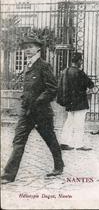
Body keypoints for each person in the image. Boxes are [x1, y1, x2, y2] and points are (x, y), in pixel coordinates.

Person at [1, 37, 64, 184]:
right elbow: (28, 89)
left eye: (30, 47)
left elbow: (52, 89)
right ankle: (8, 175)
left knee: (50, 139)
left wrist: (37, 102)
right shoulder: (27, 66)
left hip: (41, 113)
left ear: (38, 49)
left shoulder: (44, 66)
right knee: (18, 141)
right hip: (26, 112)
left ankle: (59, 165)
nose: (27, 50)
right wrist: (24, 99)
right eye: (25, 48)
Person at [58, 52, 94, 151]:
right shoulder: (79, 72)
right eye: (81, 60)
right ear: (79, 61)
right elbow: (90, 84)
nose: (81, 62)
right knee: (79, 124)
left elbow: (60, 87)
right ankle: (79, 144)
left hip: (69, 102)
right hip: (80, 102)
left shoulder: (65, 71)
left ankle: (64, 142)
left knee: (69, 122)